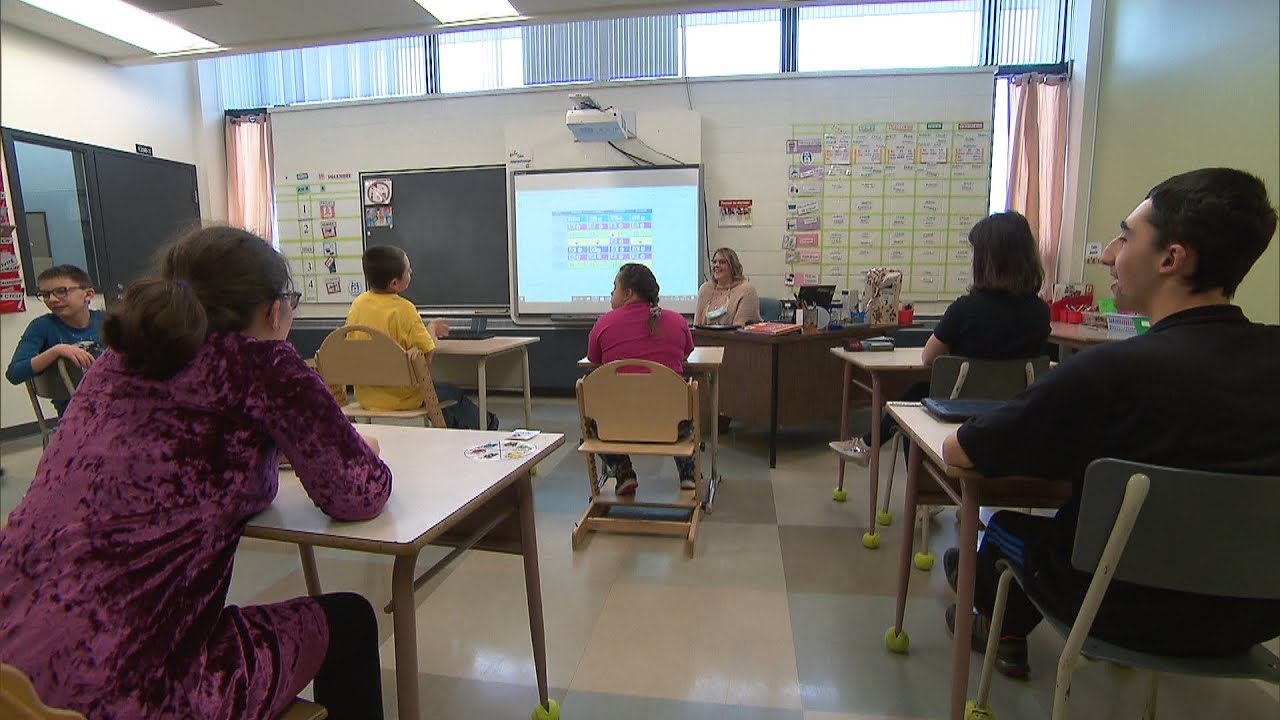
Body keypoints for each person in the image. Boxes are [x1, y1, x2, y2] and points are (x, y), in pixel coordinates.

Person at [0, 226, 392, 719]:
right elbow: (358, 493)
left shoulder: (116, 361)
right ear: (275, 310)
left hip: (13, 671)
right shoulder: (264, 364)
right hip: (122, 691)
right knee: (350, 619)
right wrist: (356, 448)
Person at [940, 167, 1280, 678]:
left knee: (1006, 527)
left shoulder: (1107, 372)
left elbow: (962, 452)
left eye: (1126, 236)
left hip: (1113, 609)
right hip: (1251, 618)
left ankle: (1000, 624)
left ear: (1172, 258)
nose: (1107, 254)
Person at [830, 211, 1050, 463]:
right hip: (1015, 413)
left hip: (958, 408)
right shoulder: (1040, 312)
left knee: (914, 398)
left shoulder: (966, 309)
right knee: (917, 393)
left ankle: (894, 470)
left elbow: (929, 357)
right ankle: (867, 446)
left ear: (987, 260)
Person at [346, 245, 497, 430]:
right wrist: (432, 329)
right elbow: (426, 355)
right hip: (404, 398)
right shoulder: (404, 309)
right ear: (394, 283)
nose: (411, 271)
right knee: (450, 393)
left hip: (366, 397)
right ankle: (489, 424)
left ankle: (458, 430)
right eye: (408, 269)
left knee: (440, 399)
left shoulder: (357, 305)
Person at [587, 263, 696, 495]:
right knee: (686, 403)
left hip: (614, 425)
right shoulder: (677, 321)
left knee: (590, 417)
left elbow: (594, 361)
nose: (611, 293)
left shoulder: (603, 324)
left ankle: (623, 471)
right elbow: (686, 354)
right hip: (670, 424)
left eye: (614, 287)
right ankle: (688, 474)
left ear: (628, 294)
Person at [5, 264, 105, 415]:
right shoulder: (41, 327)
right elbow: (14, 373)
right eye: (45, 294)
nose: (52, 299)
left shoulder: (107, 321)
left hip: (115, 402)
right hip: (75, 413)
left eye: (61, 291)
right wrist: (57, 350)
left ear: (88, 294)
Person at [694, 247, 762, 326]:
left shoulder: (746, 290)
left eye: (722, 262)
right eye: (714, 262)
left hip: (733, 338)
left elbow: (741, 330)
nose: (716, 265)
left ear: (732, 266)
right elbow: (696, 326)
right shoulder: (705, 289)